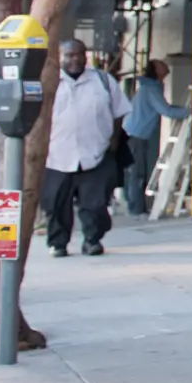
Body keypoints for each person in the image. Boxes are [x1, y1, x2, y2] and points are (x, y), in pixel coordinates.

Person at [42, 38, 131, 257]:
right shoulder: (48, 83)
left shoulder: (102, 81)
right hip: (56, 156)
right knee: (55, 205)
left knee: (95, 205)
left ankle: (92, 240)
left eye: (79, 55)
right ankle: (58, 243)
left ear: (85, 56)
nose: (75, 59)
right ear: (59, 57)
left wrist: (113, 141)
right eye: (69, 55)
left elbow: (119, 112)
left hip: (96, 153)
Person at [123, 59, 190, 216]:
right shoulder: (151, 89)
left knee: (134, 172)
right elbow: (166, 111)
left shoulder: (149, 88)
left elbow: (166, 108)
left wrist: (181, 110)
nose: (166, 67)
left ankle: (134, 206)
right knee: (137, 173)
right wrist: (190, 112)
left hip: (134, 133)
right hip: (136, 135)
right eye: (162, 65)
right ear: (156, 71)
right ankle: (136, 210)